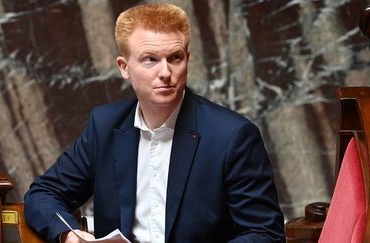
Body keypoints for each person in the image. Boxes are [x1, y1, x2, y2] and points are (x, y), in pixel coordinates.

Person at [24, 3, 285, 243]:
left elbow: (265, 235)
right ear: (124, 67)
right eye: (150, 59)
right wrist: (69, 236)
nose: (165, 72)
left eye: (175, 58)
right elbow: (44, 193)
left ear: (187, 60)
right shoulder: (104, 126)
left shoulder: (232, 136)